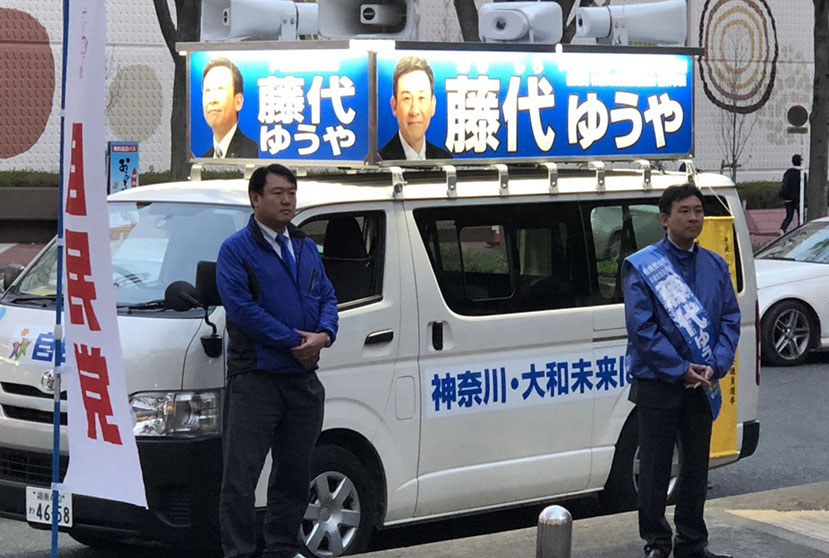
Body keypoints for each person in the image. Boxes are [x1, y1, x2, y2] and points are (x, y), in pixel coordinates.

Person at [215, 163, 338, 558]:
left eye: (291, 193)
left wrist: (324, 334)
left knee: (294, 473)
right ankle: (239, 552)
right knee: (241, 476)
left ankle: (281, 549)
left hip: (302, 378)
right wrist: (294, 340)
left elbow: (327, 296)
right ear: (256, 198)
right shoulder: (236, 249)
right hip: (256, 377)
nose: (287, 200)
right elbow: (242, 310)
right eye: (278, 193)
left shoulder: (304, 246)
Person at [622, 184, 740, 558]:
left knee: (695, 468)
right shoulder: (643, 266)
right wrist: (678, 368)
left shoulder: (715, 265)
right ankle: (656, 543)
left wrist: (716, 363)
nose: (693, 218)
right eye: (684, 211)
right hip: (658, 382)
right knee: (655, 468)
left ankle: (692, 542)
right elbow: (641, 328)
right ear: (664, 218)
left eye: (698, 211)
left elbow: (730, 318)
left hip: (702, 382)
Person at [379, 55, 453, 161]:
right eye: (407, 98)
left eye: (421, 98)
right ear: (394, 105)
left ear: (432, 105)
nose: (414, 111)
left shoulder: (444, 159)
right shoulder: (380, 161)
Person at [201, 57, 258, 159]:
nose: (212, 100)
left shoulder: (254, 153)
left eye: (220, 89)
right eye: (207, 90)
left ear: (238, 102)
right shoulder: (203, 159)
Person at [779, 154, 805, 235]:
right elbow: (804, 187)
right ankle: (800, 229)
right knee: (801, 216)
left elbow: (785, 185)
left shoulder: (788, 172)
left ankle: (782, 229)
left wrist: (784, 196)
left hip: (789, 198)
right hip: (799, 198)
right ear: (800, 162)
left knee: (789, 216)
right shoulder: (802, 173)